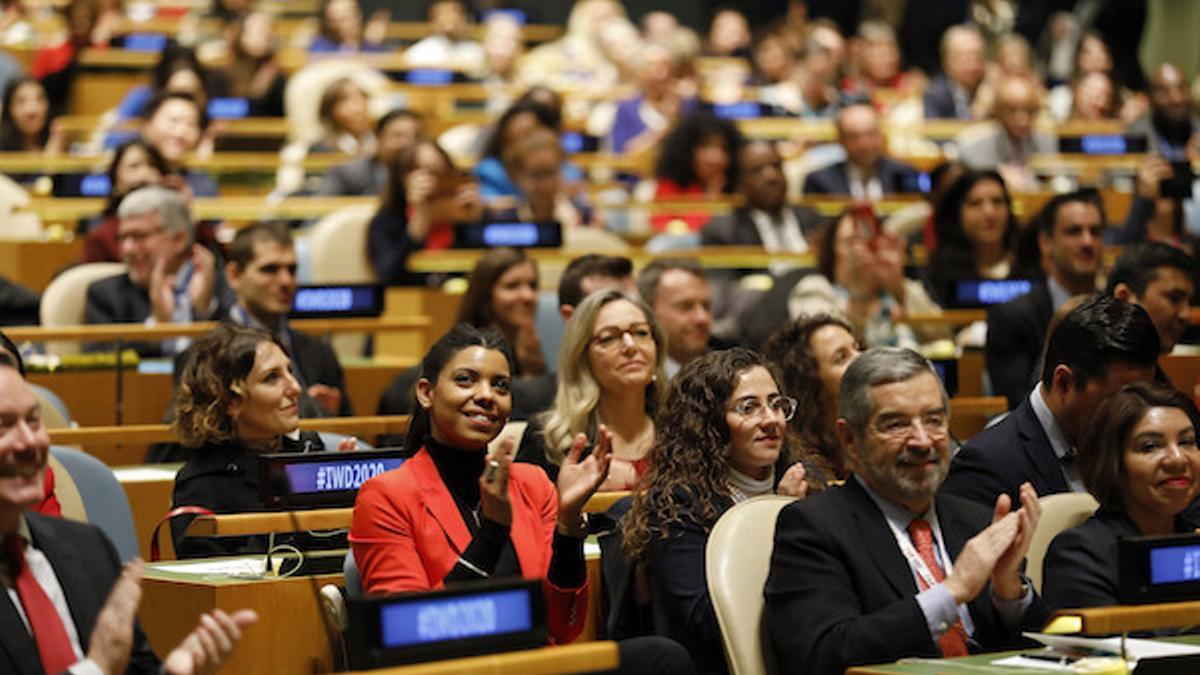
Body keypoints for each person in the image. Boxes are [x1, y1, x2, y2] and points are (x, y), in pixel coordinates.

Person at [765, 347, 1047, 673]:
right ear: (850, 439)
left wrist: (1008, 590)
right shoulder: (812, 528)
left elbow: (1041, 657)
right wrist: (951, 592)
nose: (923, 441)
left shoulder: (976, 521)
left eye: (934, 420)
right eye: (896, 424)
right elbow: (824, 655)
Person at [350, 323, 608, 645]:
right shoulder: (386, 496)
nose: (486, 396)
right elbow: (413, 635)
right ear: (426, 393)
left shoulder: (533, 484)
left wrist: (568, 526)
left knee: (657, 656)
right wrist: (492, 534)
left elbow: (563, 627)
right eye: (466, 380)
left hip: (536, 665)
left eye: (500, 386)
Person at [0, 363, 258, 674]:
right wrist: (96, 669)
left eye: (33, 421)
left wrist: (175, 672)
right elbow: (105, 664)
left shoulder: (87, 547)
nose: (29, 442)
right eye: (4, 426)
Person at [623, 348, 805, 673]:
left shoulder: (808, 482)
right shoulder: (679, 505)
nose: (771, 420)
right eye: (749, 408)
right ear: (709, 421)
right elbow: (706, 624)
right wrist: (780, 523)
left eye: (777, 404)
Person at [944, 295, 1161, 507]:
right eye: (1120, 401)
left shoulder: (1145, 451)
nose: (1135, 415)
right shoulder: (984, 467)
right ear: (1064, 383)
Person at [170, 323, 355, 557]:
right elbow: (212, 586)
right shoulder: (200, 485)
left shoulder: (309, 452)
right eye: (272, 378)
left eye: (290, 371)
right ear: (230, 401)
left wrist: (346, 498)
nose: (296, 388)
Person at [1042, 383, 1200, 612]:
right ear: (1111, 464)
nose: (1177, 459)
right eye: (1150, 447)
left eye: (1187, 442)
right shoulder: (1079, 556)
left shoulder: (1191, 537)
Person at [516, 289, 666, 492]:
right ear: (582, 358)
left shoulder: (685, 433)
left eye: (641, 333)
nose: (630, 346)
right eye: (608, 338)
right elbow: (526, 521)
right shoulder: (548, 440)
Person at [987, 190, 1105, 408]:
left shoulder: (1120, 310)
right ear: (1045, 243)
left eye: (1095, 232)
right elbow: (1019, 403)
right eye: (1074, 232)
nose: (1087, 242)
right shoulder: (1011, 316)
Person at [84, 185, 233, 356]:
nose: (127, 248)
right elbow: (99, 367)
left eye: (139, 236)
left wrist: (205, 313)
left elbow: (245, 352)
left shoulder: (226, 283)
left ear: (179, 239)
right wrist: (156, 327)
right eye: (122, 238)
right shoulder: (105, 295)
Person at [225, 222, 352, 416]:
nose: (286, 281)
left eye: (292, 270)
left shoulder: (320, 352)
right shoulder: (204, 355)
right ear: (234, 275)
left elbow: (353, 433)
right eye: (270, 269)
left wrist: (330, 415)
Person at [788, 209, 944, 348]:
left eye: (868, 240)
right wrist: (857, 292)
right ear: (833, 249)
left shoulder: (901, 289)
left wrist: (899, 289)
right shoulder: (813, 289)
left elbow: (942, 333)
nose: (861, 248)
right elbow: (825, 346)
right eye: (852, 241)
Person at [762, 313, 863, 487]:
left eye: (857, 348)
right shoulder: (798, 471)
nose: (861, 359)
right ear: (810, 383)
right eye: (841, 358)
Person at [367, 139, 484, 285]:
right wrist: (419, 222)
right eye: (423, 173)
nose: (434, 180)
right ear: (402, 179)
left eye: (439, 170)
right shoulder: (386, 221)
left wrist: (476, 220)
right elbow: (389, 277)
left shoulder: (465, 219)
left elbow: (494, 270)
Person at [702, 140, 822, 251]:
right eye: (757, 170)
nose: (771, 177)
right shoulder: (724, 232)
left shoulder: (813, 220)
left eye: (776, 166)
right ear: (740, 184)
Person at [926, 170, 1021, 306]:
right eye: (975, 203)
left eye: (997, 202)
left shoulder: (1031, 264)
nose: (989, 213)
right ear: (957, 214)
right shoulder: (939, 272)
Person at [958, 75, 1057, 193]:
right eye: (1013, 110)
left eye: (1029, 110)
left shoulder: (1045, 141)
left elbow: (1052, 181)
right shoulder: (973, 145)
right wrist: (998, 175)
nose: (1022, 120)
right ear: (998, 111)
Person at [802, 102, 920, 198]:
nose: (865, 144)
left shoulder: (906, 174)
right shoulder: (819, 181)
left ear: (881, 136)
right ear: (840, 140)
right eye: (854, 137)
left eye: (871, 134)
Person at [81, 138, 170, 263]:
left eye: (152, 165)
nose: (145, 173)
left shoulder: (176, 229)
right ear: (116, 180)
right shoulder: (101, 237)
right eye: (134, 166)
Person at [650, 112, 743, 232]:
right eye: (705, 147)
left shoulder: (741, 187)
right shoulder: (669, 185)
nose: (715, 157)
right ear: (686, 150)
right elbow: (662, 228)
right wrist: (708, 205)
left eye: (723, 148)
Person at [1106, 242, 1196, 357]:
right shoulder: (1085, 371)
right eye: (1174, 298)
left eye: (1189, 302)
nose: (1186, 315)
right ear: (1124, 299)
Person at [636, 258, 715, 378]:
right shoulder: (635, 379)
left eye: (706, 306)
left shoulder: (727, 373)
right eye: (686, 307)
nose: (702, 318)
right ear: (648, 312)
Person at [317, 109, 423, 197]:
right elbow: (317, 218)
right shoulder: (345, 174)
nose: (408, 143)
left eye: (417, 136)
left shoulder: (429, 177)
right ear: (379, 139)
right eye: (398, 136)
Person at [139, 92, 218, 197]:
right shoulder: (126, 174)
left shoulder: (203, 185)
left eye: (191, 124)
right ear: (147, 125)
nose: (180, 132)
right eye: (174, 120)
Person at [1127, 63, 1199, 160]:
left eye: (1182, 88)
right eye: (1165, 91)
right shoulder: (1136, 135)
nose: (1176, 99)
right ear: (1150, 98)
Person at [223, 10, 286, 117]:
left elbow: (279, 114)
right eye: (256, 32)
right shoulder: (223, 73)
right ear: (240, 34)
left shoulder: (277, 76)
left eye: (266, 32)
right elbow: (217, 109)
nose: (263, 37)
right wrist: (256, 95)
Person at [923, 25, 987, 119]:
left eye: (977, 57)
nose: (973, 65)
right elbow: (936, 131)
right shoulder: (935, 95)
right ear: (946, 62)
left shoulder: (992, 88)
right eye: (965, 58)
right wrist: (978, 111)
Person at [403, 0, 484, 73]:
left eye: (455, 12)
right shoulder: (418, 52)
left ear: (464, 18)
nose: (450, 18)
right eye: (443, 14)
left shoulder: (476, 51)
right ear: (433, 21)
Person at [310, 77, 374, 156]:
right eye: (345, 99)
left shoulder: (379, 142)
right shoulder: (321, 149)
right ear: (330, 109)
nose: (358, 109)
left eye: (363, 96)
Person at [0, 77, 61, 154]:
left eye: (39, 99)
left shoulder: (62, 142)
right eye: (21, 101)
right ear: (9, 109)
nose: (32, 109)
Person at [308, 0, 387, 53]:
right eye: (334, 20)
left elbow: (381, 71)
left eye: (345, 18)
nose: (339, 25)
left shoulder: (370, 44)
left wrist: (373, 44)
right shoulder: (322, 44)